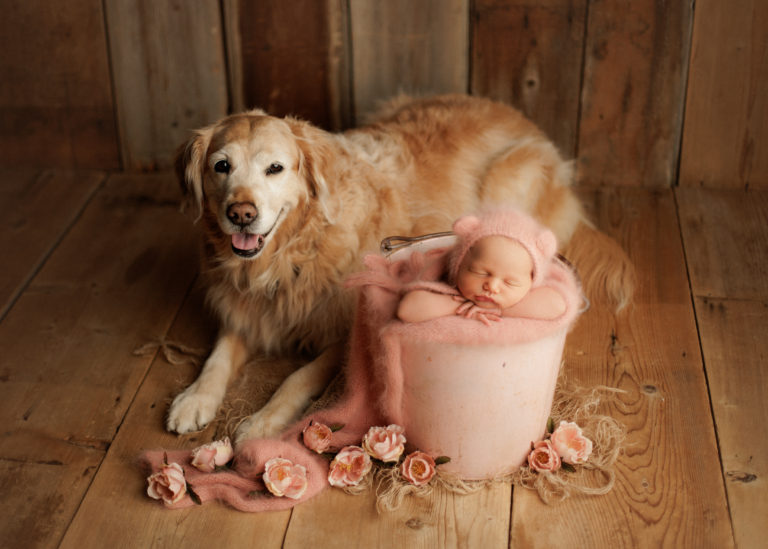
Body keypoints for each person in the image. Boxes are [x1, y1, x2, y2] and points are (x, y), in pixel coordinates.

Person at [397, 208, 567, 325]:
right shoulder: (446, 285)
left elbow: (557, 305)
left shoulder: (533, 297)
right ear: (459, 266)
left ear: (531, 283)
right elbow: (407, 310)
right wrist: (455, 306)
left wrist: (498, 311)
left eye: (510, 282)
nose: (491, 287)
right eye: (479, 272)